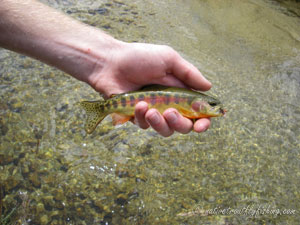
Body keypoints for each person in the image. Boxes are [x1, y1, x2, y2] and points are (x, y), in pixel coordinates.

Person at [0, 0, 212, 137]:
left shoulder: (191, 102)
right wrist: (106, 60)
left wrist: (106, 60)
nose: (215, 109)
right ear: (199, 103)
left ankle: (110, 110)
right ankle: (106, 109)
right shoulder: (190, 103)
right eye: (212, 104)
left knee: (145, 113)